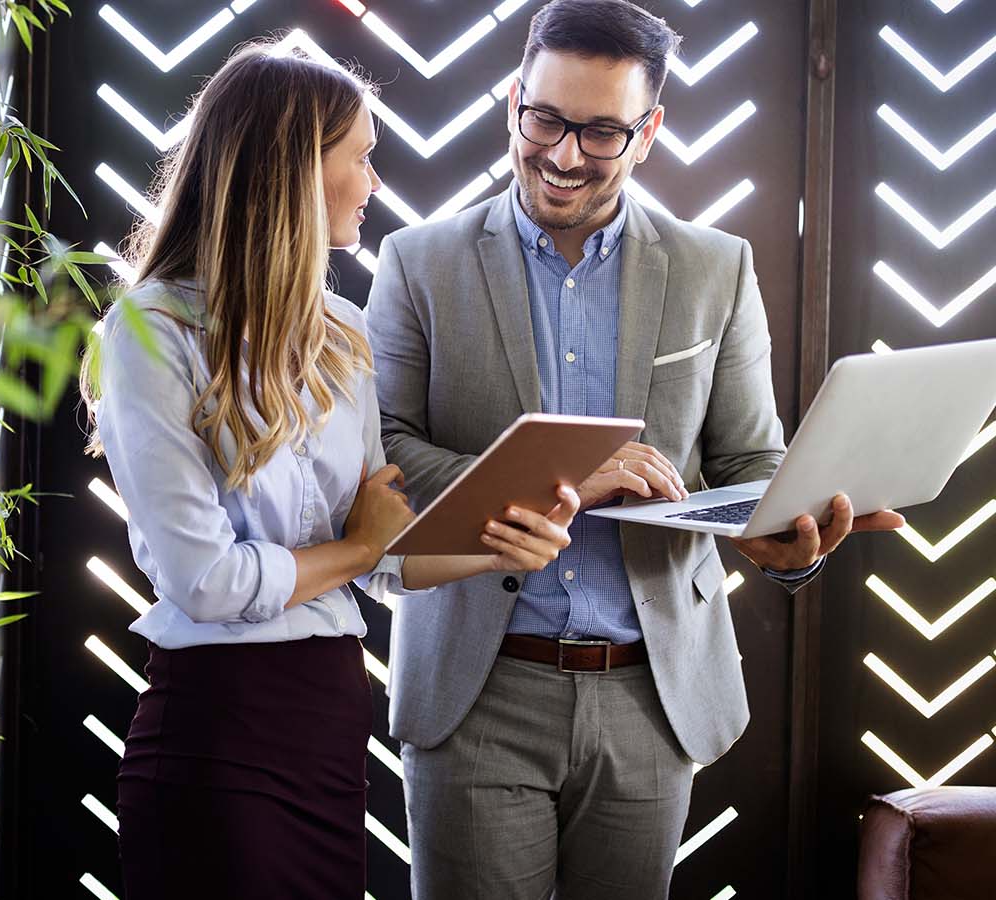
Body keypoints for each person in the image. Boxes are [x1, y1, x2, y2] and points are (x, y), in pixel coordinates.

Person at [365, 2, 904, 898]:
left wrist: (783, 535)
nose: (564, 154)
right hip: (477, 690)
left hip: (653, 699)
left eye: (602, 131)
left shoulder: (715, 267)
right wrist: (559, 480)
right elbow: (380, 455)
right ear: (513, 102)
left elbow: (748, 462)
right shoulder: (419, 261)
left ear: (648, 132)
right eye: (545, 119)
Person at [82, 43, 581, 900]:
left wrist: (504, 547)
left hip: (327, 730)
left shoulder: (341, 333)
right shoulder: (152, 331)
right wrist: (354, 554)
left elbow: (387, 553)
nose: (375, 183)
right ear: (291, 172)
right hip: (219, 733)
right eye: (361, 157)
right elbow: (205, 581)